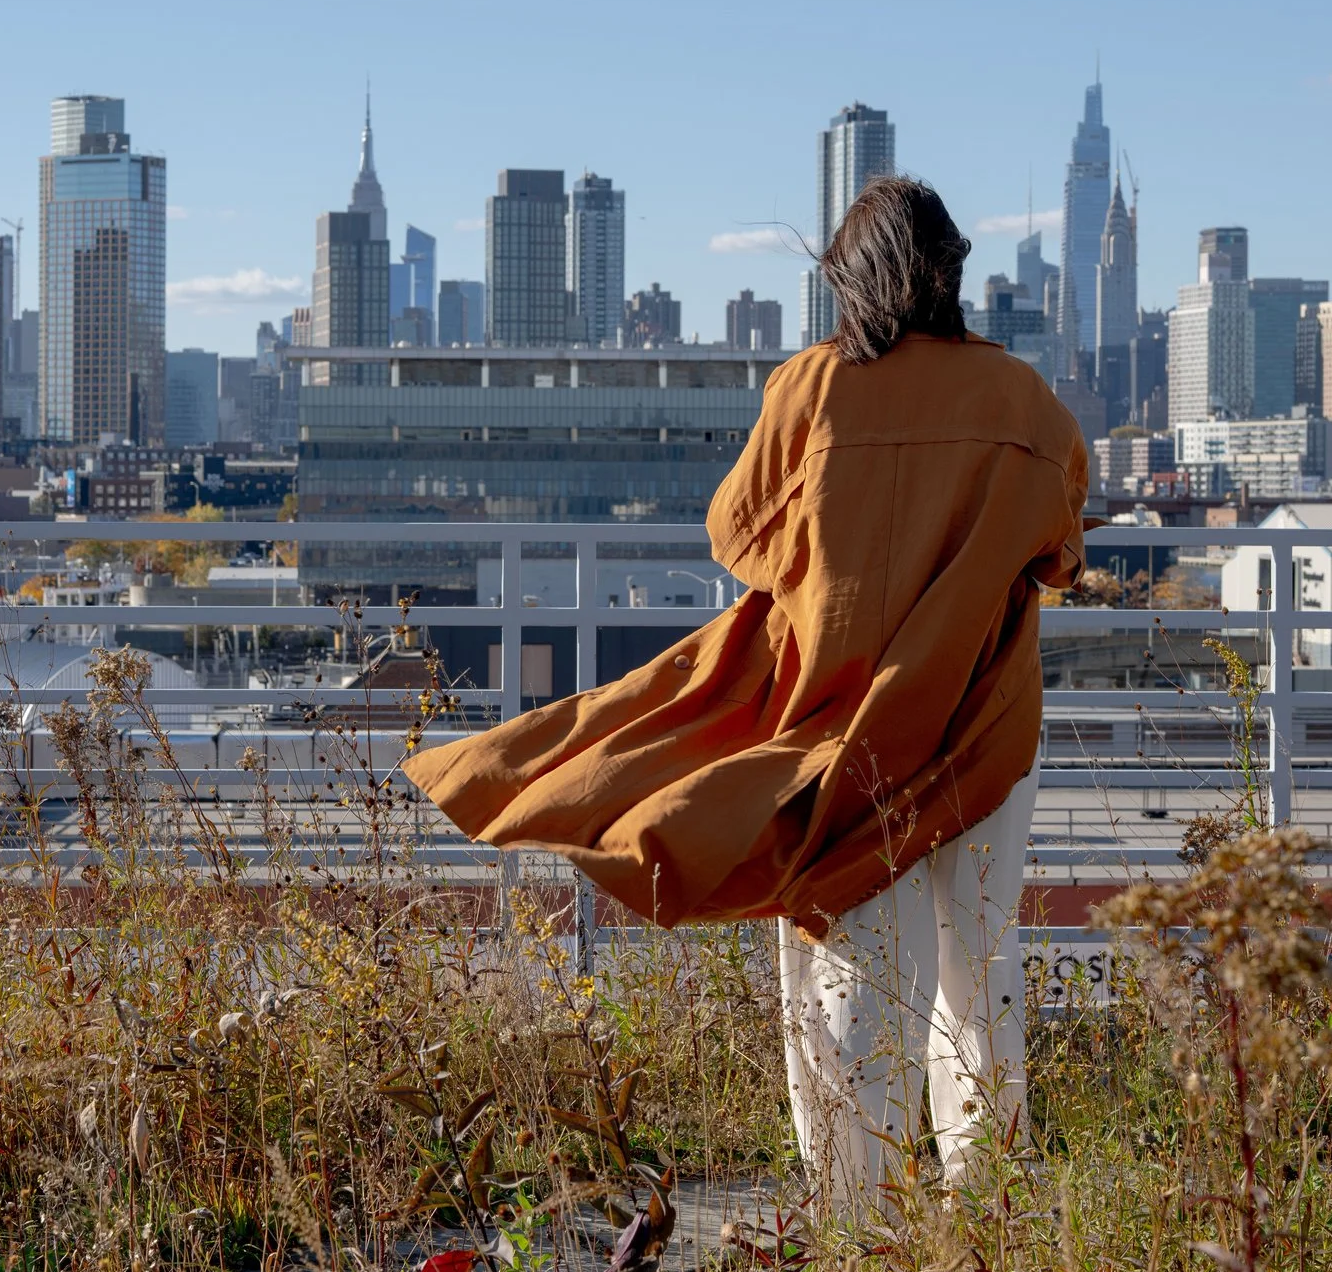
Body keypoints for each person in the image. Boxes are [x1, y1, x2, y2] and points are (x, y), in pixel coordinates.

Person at [405, 176, 1088, 1198]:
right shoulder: (1022, 402)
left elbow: (738, 532)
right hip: (985, 725)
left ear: (851, 279)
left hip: (841, 724)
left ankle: (856, 1218)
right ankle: (986, 1209)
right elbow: (1058, 552)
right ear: (951, 269)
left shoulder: (813, 387)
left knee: (853, 954)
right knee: (977, 966)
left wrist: (838, 570)